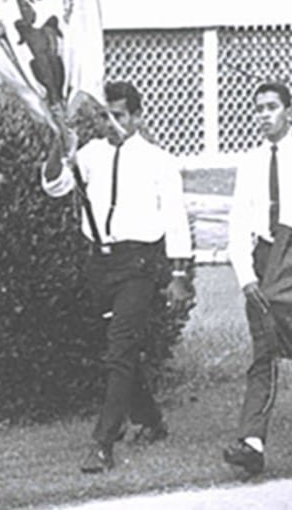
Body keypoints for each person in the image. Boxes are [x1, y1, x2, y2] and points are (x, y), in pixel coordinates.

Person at [41, 82, 194, 473]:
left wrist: (179, 275)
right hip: (101, 265)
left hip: (138, 265)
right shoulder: (91, 153)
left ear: (138, 117)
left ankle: (102, 443)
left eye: (120, 115)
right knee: (117, 349)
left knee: (120, 348)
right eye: (106, 115)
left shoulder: (159, 161)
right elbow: (55, 185)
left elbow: (176, 220)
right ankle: (153, 422)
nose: (112, 123)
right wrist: (61, 142)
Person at [222, 82, 292, 479]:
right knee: (264, 352)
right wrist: (246, 276)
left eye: (272, 107)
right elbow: (238, 222)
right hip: (265, 258)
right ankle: (252, 442)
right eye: (258, 108)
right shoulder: (250, 162)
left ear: (289, 111)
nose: (264, 115)